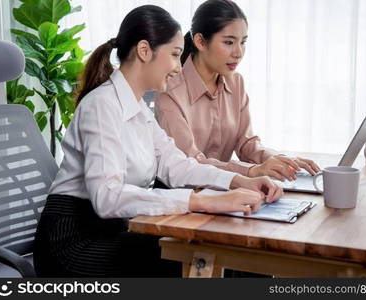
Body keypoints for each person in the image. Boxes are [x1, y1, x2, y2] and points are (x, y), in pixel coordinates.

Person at [33, 5, 283, 277]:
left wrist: (240, 182)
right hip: (72, 244)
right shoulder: (101, 105)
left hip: (113, 231)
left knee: (229, 256)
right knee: (198, 259)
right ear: (144, 51)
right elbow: (107, 197)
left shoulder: (138, 109)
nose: (178, 67)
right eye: (175, 55)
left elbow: (178, 166)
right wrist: (202, 202)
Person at [155, 0, 321, 183]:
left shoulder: (236, 83)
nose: (239, 53)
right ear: (200, 41)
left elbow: (247, 144)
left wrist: (279, 160)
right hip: (183, 199)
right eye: (229, 42)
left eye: (243, 42)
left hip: (226, 193)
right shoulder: (170, 91)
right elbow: (189, 163)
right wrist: (252, 171)